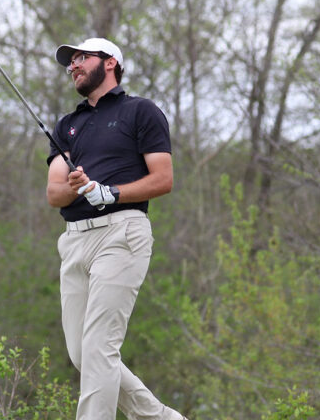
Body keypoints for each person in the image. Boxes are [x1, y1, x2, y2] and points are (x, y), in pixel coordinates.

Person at [46, 38, 187, 420]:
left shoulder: (140, 112)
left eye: (81, 58)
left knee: (98, 349)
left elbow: (163, 179)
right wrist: (74, 187)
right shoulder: (68, 124)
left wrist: (111, 192)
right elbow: (54, 193)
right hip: (74, 241)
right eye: (70, 61)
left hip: (121, 233)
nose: (73, 66)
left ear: (109, 63)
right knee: (82, 354)